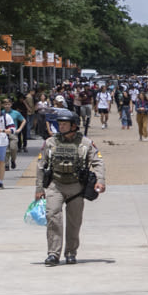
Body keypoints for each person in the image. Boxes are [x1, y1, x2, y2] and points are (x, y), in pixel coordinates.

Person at [35, 110, 103, 266]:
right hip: (55, 185)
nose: (61, 127)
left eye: (64, 124)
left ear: (74, 126)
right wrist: (39, 189)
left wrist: (101, 180)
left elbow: (98, 162)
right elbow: (40, 166)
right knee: (53, 217)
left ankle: (71, 252)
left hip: (76, 187)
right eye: (60, 124)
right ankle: (53, 253)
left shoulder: (85, 143)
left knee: (74, 222)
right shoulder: (50, 142)